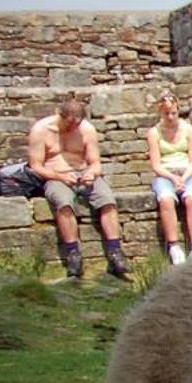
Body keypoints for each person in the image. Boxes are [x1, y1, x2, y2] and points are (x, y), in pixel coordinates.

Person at [27, 97, 130, 279]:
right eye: (68, 124)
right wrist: (60, 176)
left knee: (107, 200)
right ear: (60, 115)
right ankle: (73, 254)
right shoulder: (41, 130)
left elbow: (96, 162)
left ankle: (115, 252)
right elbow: (36, 165)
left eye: (76, 125)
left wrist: (91, 173)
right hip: (56, 175)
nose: (72, 128)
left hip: (83, 173)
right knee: (64, 203)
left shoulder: (86, 130)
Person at [145, 92, 192, 264]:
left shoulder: (189, 131)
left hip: (188, 173)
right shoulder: (154, 133)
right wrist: (173, 178)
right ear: (161, 113)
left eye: (174, 113)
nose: (170, 117)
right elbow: (156, 165)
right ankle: (174, 246)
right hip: (166, 173)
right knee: (166, 199)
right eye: (166, 114)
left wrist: (183, 178)